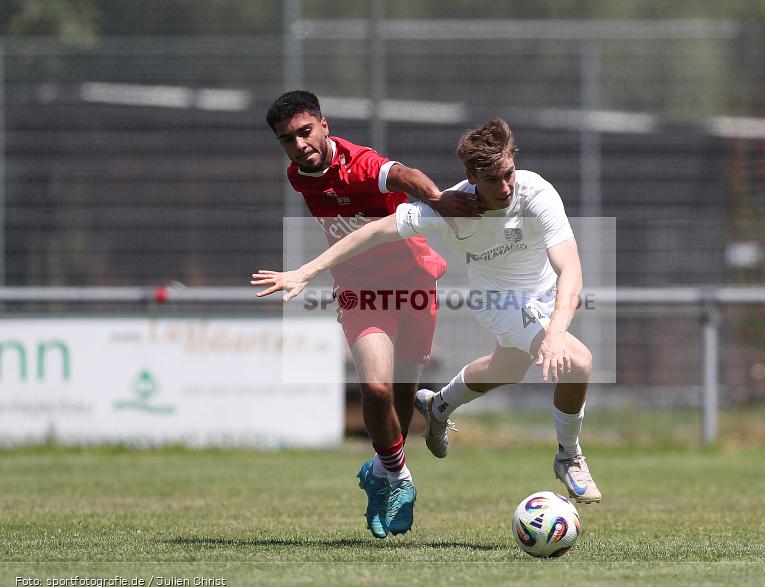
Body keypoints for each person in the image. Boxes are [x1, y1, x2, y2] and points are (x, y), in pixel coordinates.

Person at [252, 117, 601, 504]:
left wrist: (553, 332)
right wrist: (307, 270)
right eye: (492, 181)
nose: (504, 188)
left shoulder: (536, 192)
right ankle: (569, 456)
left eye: (508, 174)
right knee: (579, 362)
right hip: (497, 300)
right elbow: (371, 232)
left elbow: (571, 268)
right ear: (470, 176)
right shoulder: (451, 207)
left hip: (543, 296)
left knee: (509, 367)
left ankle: (439, 404)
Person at [258, 91, 483, 538]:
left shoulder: (358, 164)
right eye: (288, 139)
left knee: (401, 406)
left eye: (305, 132)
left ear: (324, 125)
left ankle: (379, 473)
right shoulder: (297, 174)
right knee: (376, 390)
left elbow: (404, 175)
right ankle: (398, 479)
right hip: (361, 293)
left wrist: (437, 201)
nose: (299, 145)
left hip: (415, 285)